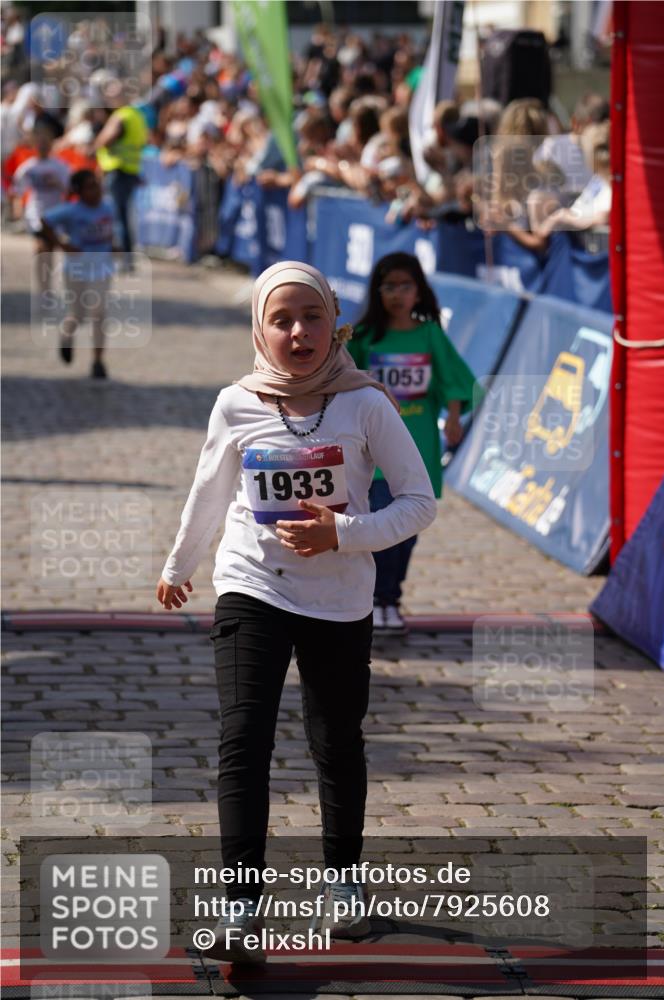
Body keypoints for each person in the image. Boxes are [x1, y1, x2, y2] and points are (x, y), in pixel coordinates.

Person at [155, 260, 436, 963]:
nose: (297, 332)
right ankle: (241, 906)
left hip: (339, 599)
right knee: (243, 737)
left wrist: (340, 533)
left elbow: (418, 502)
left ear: (334, 322)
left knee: (335, 740)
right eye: (280, 319)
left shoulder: (364, 403)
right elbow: (208, 490)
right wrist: (178, 566)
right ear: (258, 327)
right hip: (252, 585)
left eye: (310, 316)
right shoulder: (235, 403)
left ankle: (343, 886)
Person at [348, 252, 476, 634]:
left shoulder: (430, 334)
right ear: (377, 291)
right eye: (389, 286)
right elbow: (342, 380)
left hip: (420, 446)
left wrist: (454, 416)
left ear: (418, 291)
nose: (397, 294)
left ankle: (390, 596)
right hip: (376, 451)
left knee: (409, 531)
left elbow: (453, 377)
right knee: (383, 522)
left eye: (405, 286)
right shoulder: (365, 338)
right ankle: (380, 599)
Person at [40, 169, 115, 379]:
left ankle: (98, 361)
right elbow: (45, 220)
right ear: (80, 191)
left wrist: (115, 247)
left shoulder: (108, 207)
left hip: (102, 268)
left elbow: (111, 231)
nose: (97, 190)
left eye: (98, 185)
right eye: (91, 187)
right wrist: (60, 244)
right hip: (76, 269)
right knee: (78, 315)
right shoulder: (71, 211)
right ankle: (66, 336)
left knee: (99, 314)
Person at [12, 119, 70, 297]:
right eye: (39, 143)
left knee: (50, 250)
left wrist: (58, 184)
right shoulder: (28, 167)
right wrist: (18, 208)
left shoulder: (60, 166)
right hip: (36, 212)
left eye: (46, 143)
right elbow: (17, 190)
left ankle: (47, 287)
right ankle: (43, 288)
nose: (43, 147)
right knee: (41, 248)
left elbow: (69, 191)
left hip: (55, 212)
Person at [92, 85, 148, 271]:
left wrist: (97, 143)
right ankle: (127, 259)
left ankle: (122, 260)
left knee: (117, 217)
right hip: (131, 169)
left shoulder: (121, 116)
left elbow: (105, 140)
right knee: (123, 216)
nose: (109, 100)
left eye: (111, 95)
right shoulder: (137, 116)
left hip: (118, 169)